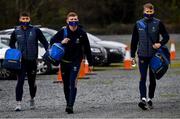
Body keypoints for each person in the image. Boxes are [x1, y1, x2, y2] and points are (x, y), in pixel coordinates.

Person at [50, 12, 93, 114]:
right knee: (66, 85)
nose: (73, 21)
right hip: (64, 62)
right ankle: (68, 102)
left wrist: (90, 62)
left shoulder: (82, 33)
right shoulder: (63, 32)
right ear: (67, 21)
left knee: (72, 82)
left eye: (75, 19)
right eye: (71, 20)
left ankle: (70, 105)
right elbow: (52, 41)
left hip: (76, 62)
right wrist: (61, 42)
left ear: (77, 20)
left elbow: (87, 48)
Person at [130, 3, 169, 110]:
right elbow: (134, 41)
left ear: (153, 11)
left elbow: (166, 36)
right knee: (142, 78)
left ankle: (150, 98)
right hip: (142, 55)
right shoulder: (138, 24)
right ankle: (142, 99)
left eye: (151, 12)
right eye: (147, 12)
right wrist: (132, 56)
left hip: (154, 56)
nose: (149, 14)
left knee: (152, 79)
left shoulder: (158, 23)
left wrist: (160, 43)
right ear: (143, 12)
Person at [9, 12, 49, 111]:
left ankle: (32, 99)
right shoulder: (16, 31)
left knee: (32, 83)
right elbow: (11, 44)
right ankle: (18, 103)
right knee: (20, 81)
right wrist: (15, 53)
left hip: (32, 61)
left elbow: (44, 41)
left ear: (29, 19)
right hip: (21, 61)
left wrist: (48, 50)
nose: (25, 20)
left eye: (27, 19)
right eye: (23, 19)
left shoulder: (35, 30)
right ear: (20, 20)